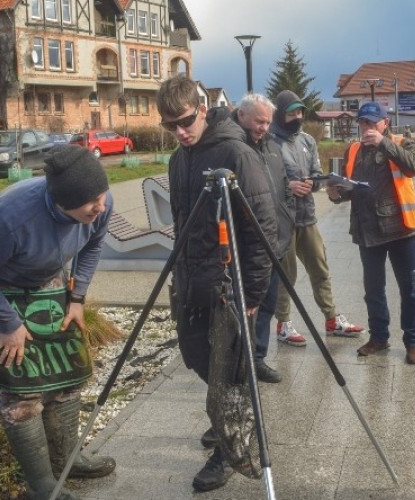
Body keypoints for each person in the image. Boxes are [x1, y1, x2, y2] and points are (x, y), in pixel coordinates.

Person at [0, 145, 116, 500]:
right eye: (91, 202)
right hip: (2, 289)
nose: (101, 206)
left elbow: (94, 244)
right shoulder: (11, 219)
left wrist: (77, 298)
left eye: (101, 196)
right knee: (22, 389)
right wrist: (8, 323)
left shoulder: (100, 202)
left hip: (50, 280)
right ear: (62, 203)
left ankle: (69, 461)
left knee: (67, 375)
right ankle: (41, 484)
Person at [157, 75, 276, 493]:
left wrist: (253, 294)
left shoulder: (236, 153)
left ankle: (230, 448)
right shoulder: (179, 159)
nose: (179, 131)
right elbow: (181, 223)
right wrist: (180, 276)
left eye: (185, 121)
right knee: (196, 357)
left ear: (202, 110)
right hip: (192, 281)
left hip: (230, 284)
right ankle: (226, 412)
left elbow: (263, 228)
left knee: (228, 370)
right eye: (169, 125)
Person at [326, 101, 415, 365]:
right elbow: (350, 188)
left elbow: (413, 167)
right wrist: (336, 193)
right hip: (367, 229)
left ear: (385, 123)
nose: (367, 126)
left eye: (372, 121)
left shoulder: (401, 142)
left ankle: (412, 341)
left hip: (402, 229)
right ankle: (379, 337)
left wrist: (384, 143)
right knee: (373, 289)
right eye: (363, 122)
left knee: (409, 288)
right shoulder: (353, 149)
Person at [270, 90, 363, 346]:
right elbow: (263, 181)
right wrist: (288, 187)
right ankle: (283, 324)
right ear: (280, 114)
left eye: (300, 112)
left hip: (307, 217)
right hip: (282, 220)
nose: (298, 117)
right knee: (286, 275)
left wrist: (314, 182)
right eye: (292, 113)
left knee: (320, 268)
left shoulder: (308, 140)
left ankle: (331, 319)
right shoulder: (269, 142)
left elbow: (317, 174)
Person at [232, 93, 293, 384]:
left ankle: (257, 359)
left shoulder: (271, 146)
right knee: (244, 308)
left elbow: (284, 187)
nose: (263, 127)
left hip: (275, 242)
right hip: (245, 246)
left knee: (267, 305)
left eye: (268, 122)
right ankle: (237, 364)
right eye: (259, 121)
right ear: (241, 115)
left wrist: (289, 217)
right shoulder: (234, 149)